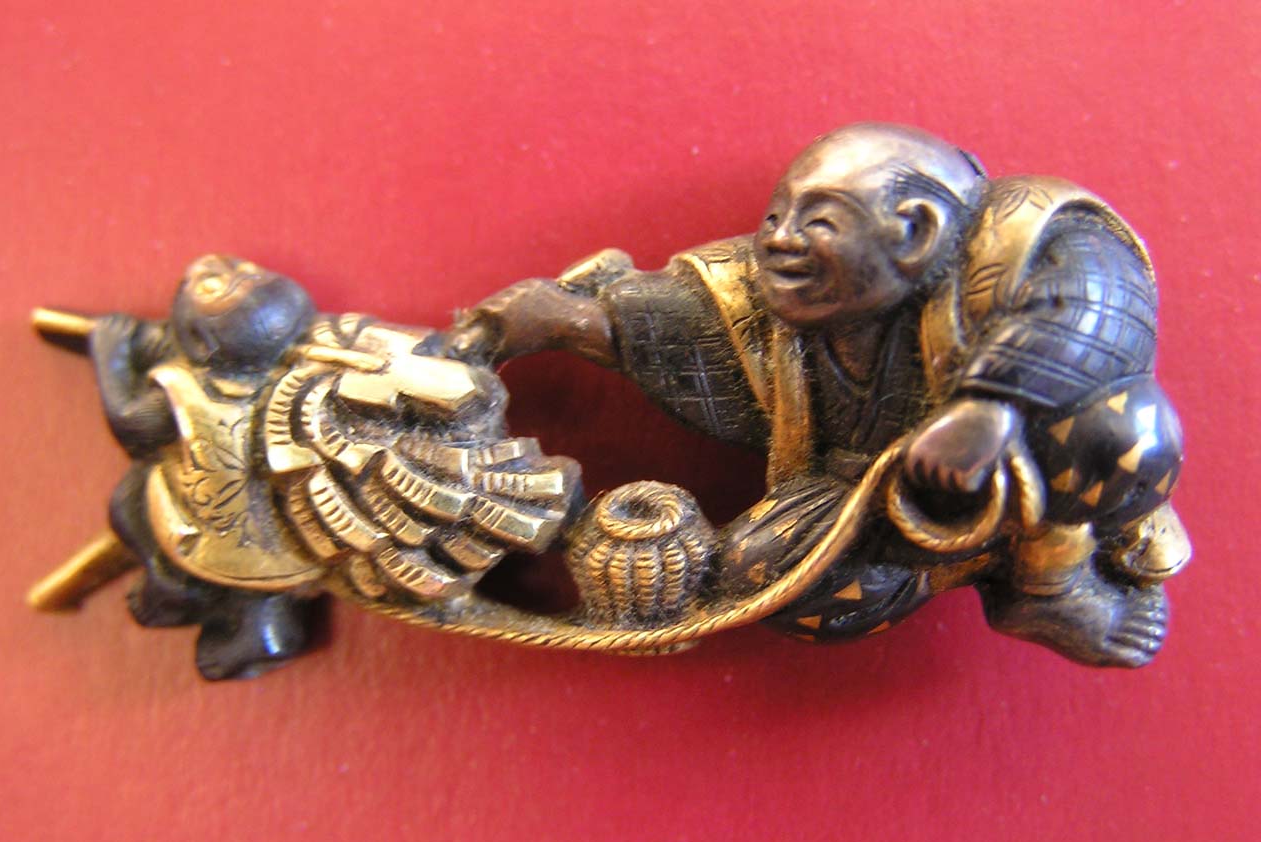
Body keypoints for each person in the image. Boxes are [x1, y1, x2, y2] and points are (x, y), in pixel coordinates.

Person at [448, 122, 1188, 667]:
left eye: (821, 221)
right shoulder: (765, 299)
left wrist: (987, 406)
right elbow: (687, 322)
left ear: (916, 231)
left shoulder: (1031, 239)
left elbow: (1092, 308)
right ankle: (954, 560)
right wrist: (574, 322)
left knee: (1122, 436)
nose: (779, 240)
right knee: (759, 579)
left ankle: (1049, 584)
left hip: (1034, 478)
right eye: (776, 218)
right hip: (879, 505)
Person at [91, 254, 320, 679]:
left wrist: (110, 354)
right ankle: (242, 619)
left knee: (135, 506)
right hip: (283, 522)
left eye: (211, 287)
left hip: (225, 527)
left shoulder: (184, 391)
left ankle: (181, 592)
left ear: (200, 345)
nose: (207, 266)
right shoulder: (303, 375)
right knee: (137, 503)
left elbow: (130, 426)